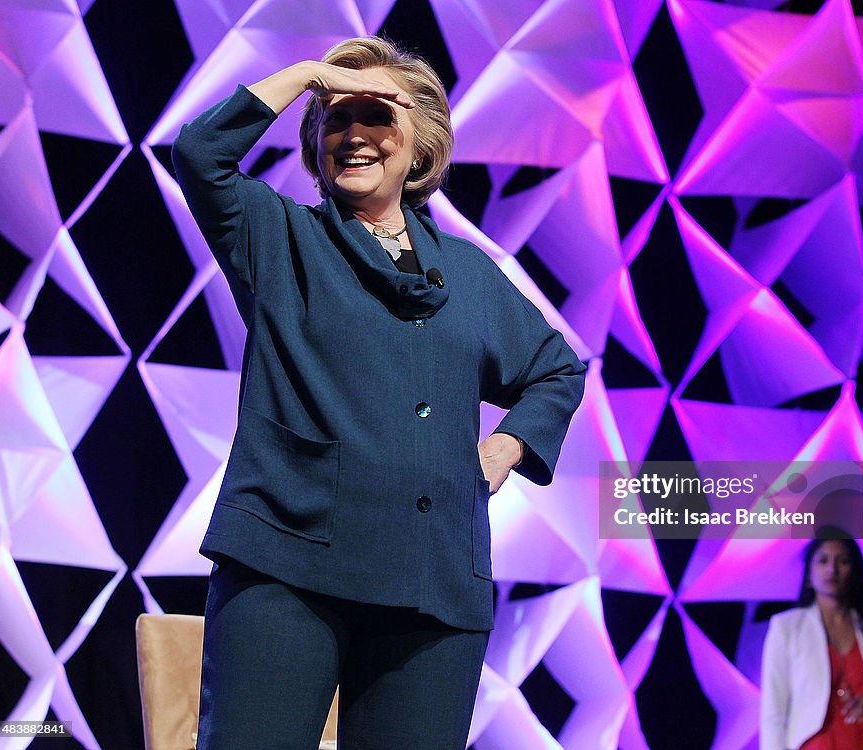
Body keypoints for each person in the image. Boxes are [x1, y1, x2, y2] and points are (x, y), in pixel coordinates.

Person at [171, 36, 586, 749]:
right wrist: (307, 75)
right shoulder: (278, 236)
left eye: (376, 113)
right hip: (286, 567)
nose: (354, 133)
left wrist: (507, 446)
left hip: (434, 585)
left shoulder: (470, 275)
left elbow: (557, 368)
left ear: (420, 147)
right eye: (336, 117)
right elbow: (201, 155)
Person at [760, 529, 863, 750]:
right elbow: (773, 709)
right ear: (809, 575)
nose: (832, 569)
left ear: (854, 571)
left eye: (842, 561)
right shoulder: (787, 627)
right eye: (823, 561)